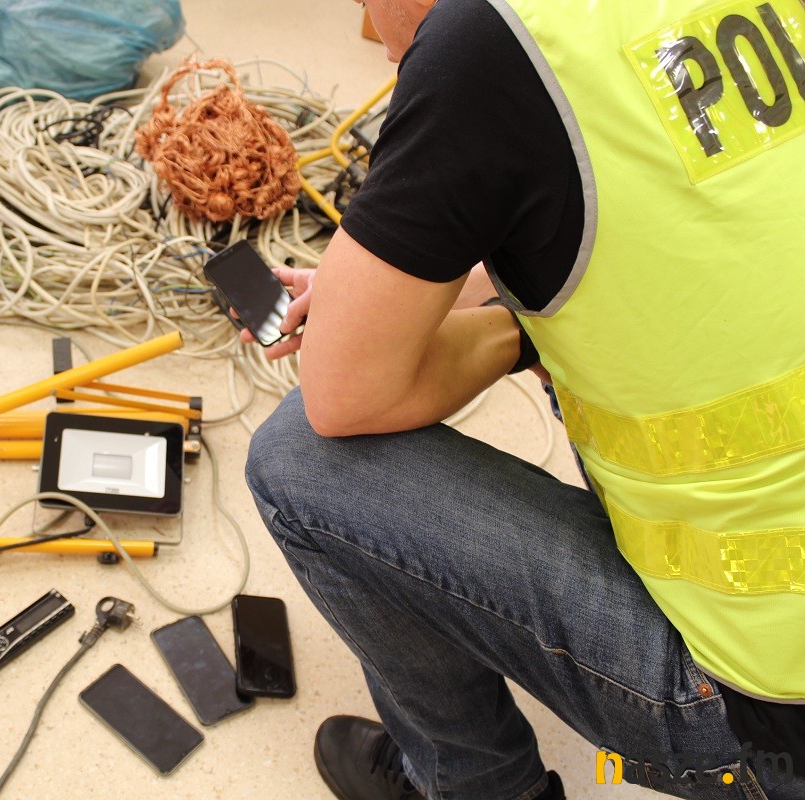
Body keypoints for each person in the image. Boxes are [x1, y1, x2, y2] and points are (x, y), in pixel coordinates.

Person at [242, 1, 805, 799]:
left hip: (767, 733)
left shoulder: (493, 43)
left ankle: (477, 786)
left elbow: (346, 398)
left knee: (301, 461)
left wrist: (398, 322)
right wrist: (449, 294)